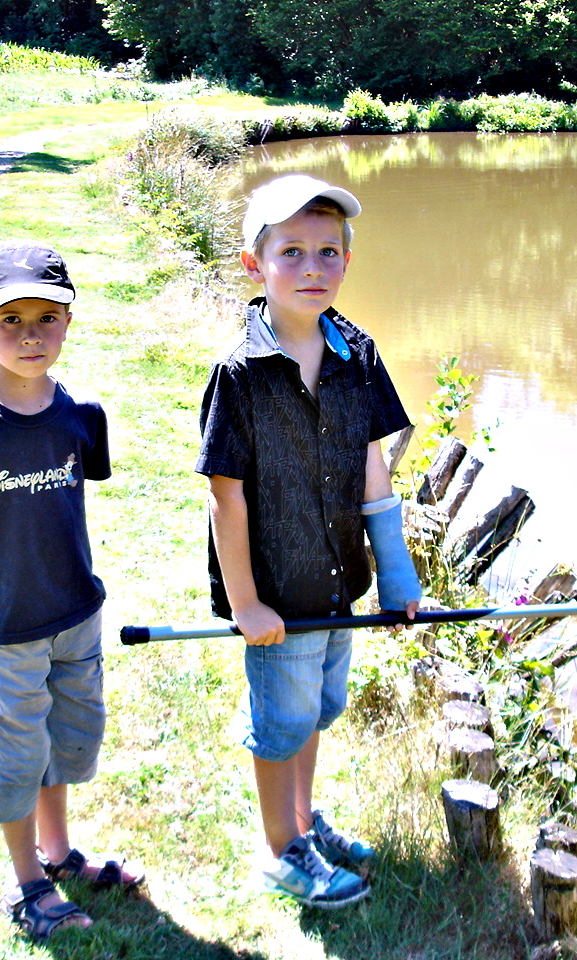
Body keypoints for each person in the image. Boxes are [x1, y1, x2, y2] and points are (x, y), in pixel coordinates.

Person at [196, 174, 423, 909]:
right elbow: (223, 498)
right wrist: (245, 604)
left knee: (317, 710)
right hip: (277, 593)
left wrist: (394, 573)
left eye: (328, 252)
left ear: (348, 264)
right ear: (253, 263)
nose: (313, 267)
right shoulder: (239, 373)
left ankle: (303, 820)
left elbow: (371, 463)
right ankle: (280, 851)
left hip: (339, 582)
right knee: (280, 721)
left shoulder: (356, 351)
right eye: (290, 251)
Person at [0, 241, 143, 942]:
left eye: (47, 316)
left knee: (63, 743)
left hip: (75, 612)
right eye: (9, 318)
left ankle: (59, 852)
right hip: (1, 623)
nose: (29, 333)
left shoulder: (83, 415)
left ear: (69, 324)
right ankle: (26, 883)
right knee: (13, 756)